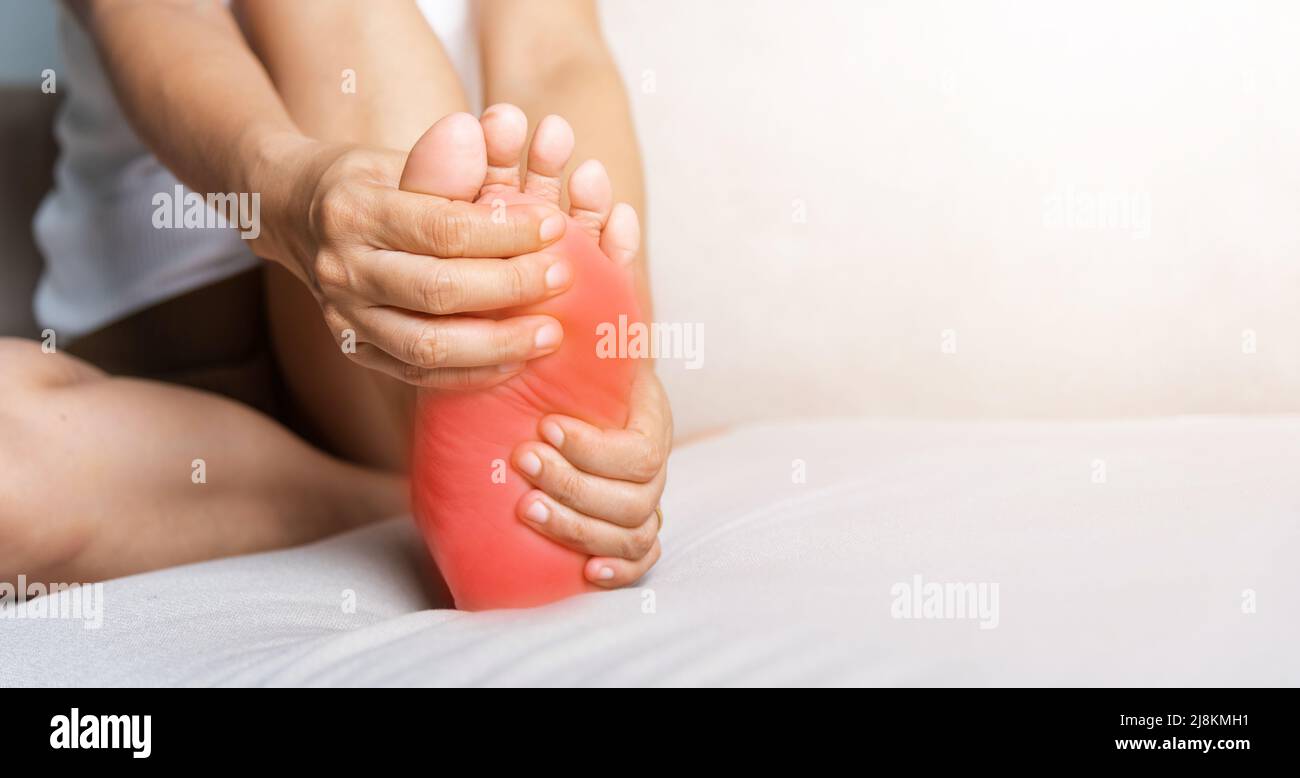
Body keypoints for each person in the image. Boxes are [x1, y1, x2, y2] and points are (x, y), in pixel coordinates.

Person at [0, 0, 670, 595]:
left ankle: (471, 438)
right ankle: (413, 503)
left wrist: (618, 354)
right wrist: (290, 197)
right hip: (158, 380)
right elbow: (157, 12)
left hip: (394, 362)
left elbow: (554, 52)